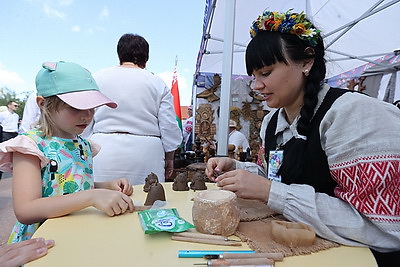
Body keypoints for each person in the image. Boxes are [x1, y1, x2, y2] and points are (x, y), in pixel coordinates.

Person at [205, 10, 400, 266]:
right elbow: (278, 178)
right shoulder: (272, 122)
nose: (256, 86)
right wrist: (239, 168)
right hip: (297, 252)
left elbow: (385, 231)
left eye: (265, 72)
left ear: (306, 61)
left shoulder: (351, 113)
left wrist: (272, 192)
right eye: (254, 76)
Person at [0, 61, 134, 244]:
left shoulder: (83, 145)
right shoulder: (30, 147)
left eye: (92, 107)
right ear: (43, 104)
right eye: (76, 107)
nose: (87, 115)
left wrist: (104, 186)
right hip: (43, 241)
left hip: (79, 232)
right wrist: (91, 197)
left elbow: (67, 184)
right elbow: (26, 209)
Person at [83, 33, 182, 185]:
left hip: (102, 151)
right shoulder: (157, 83)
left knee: (101, 204)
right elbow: (168, 126)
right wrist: (170, 158)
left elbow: (85, 120)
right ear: (146, 58)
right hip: (146, 154)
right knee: (148, 203)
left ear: (119, 54)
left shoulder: (97, 78)